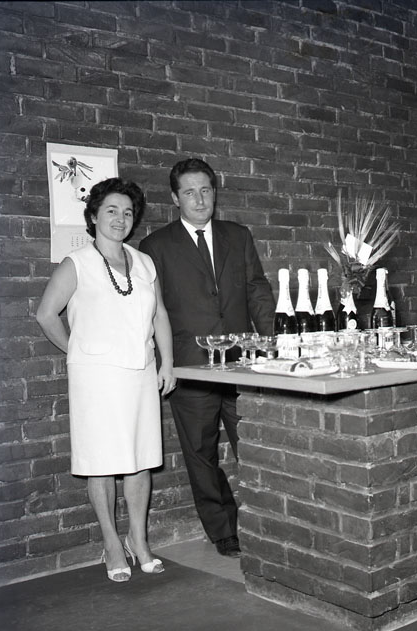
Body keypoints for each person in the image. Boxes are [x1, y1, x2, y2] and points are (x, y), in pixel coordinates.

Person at [36, 178, 176, 583]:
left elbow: (160, 315)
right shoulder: (77, 263)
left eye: (128, 212)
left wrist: (167, 363)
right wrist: (77, 350)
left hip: (140, 372)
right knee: (101, 462)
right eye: (111, 210)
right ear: (94, 216)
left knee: (140, 460)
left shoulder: (144, 263)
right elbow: (46, 314)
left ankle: (139, 540)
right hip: (96, 380)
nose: (120, 218)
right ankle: (112, 544)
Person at [139, 158, 275, 558]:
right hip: (190, 364)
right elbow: (153, 310)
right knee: (201, 454)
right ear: (175, 198)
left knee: (256, 444)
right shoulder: (155, 247)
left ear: (214, 192)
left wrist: (272, 345)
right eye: (189, 192)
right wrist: (163, 361)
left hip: (242, 363)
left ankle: (271, 522)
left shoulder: (238, 235)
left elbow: (257, 291)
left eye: (205, 190)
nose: (199, 200)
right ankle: (223, 530)